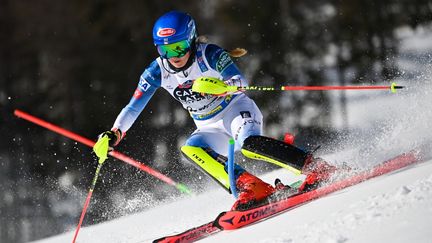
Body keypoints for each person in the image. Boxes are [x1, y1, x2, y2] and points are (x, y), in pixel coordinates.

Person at [95, 10, 335, 210]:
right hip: (208, 125)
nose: (173, 57)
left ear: (190, 40)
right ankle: (254, 188)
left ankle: (316, 167)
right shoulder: (156, 72)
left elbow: (240, 82)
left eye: (178, 48)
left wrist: (222, 87)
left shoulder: (209, 54)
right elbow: (133, 107)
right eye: (165, 50)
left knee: (250, 145)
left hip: (235, 110)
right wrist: (114, 134)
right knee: (191, 149)